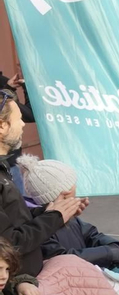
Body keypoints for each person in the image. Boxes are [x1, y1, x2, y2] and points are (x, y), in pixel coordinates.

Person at [0, 94, 83, 277]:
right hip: (20, 289)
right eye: (19, 119)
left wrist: (54, 211)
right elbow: (9, 243)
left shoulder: (3, 169)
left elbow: (15, 221)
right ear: (2, 126)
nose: (23, 124)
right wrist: (54, 217)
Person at [17, 157, 119, 268]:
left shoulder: (68, 216)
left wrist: (113, 246)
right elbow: (62, 259)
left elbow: (90, 234)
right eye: (72, 183)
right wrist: (108, 253)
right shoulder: (39, 228)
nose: (76, 186)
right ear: (65, 194)